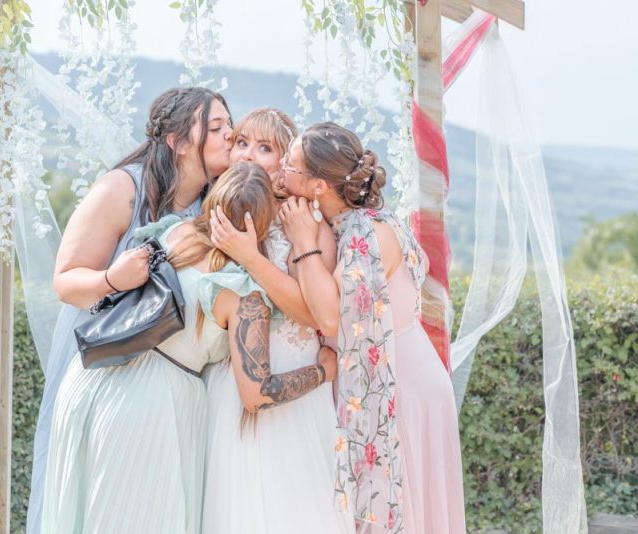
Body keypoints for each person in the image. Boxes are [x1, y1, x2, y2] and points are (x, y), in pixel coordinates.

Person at [42, 161, 337, 533]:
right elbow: (258, 394)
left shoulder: (174, 233)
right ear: (263, 224)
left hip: (91, 378)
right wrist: (324, 370)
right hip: (152, 404)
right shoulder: (241, 294)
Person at [27, 86, 233, 533]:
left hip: (175, 394)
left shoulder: (216, 207)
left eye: (230, 126)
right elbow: (66, 279)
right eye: (216, 127)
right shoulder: (124, 188)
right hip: (109, 376)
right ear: (177, 141)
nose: (230, 136)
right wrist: (111, 280)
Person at [279, 122, 466, 533]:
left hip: (402, 386)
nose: (280, 170)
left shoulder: (367, 235)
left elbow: (331, 318)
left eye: (289, 165)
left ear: (317, 187)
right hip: (401, 374)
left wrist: (302, 242)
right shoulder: (353, 225)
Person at [203, 109, 354, 534]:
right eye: (243, 142)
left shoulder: (305, 224)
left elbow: (314, 314)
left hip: (298, 383)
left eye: (265, 147)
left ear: (285, 161)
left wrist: (251, 256)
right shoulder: (221, 210)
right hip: (234, 386)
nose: (248, 154)